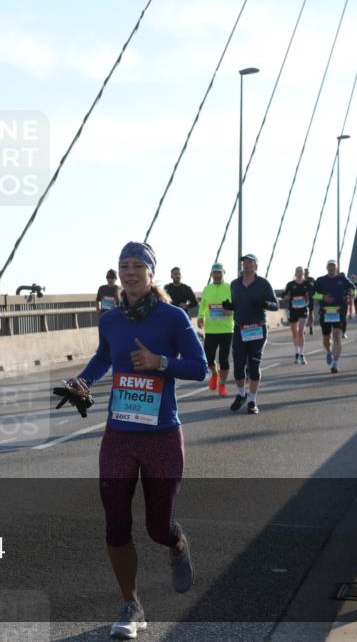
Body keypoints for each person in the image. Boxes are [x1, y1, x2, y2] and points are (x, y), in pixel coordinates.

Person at [58, 241, 206, 640]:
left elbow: (201, 368)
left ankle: (176, 544)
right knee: (115, 522)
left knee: (158, 527)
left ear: (151, 273)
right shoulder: (111, 319)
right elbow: (103, 358)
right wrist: (81, 381)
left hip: (162, 436)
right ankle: (131, 604)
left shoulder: (173, 317)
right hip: (119, 435)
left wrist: (161, 363)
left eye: (138, 265)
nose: (130, 272)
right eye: (124, 265)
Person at [223, 254, 279, 414]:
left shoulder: (263, 283)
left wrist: (265, 304)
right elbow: (238, 304)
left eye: (249, 262)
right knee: (238, 367)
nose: (246, 265)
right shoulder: (235, 284)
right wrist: (231, 306)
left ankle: (252, 401)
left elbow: (276, 305)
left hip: (257, 329)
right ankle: (242, 394)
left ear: (256, 266)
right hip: (240, 329)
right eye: (244, 263)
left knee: (254, 367)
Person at [312, 259, 356, 374]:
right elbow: (312, 294)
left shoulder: (342, 279)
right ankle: (328, 351)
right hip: (325, 312)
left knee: (337, 336)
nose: (331, 268)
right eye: (330, 266)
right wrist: (323, 297)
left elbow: (353, 289)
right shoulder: (320, 280)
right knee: (326, 338)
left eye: (333, 266)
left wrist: (351, 297)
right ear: (326, 268)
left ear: (336, 268)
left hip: (339, 311)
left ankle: (335, 363)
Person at [197, 263, 234, 396]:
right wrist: (200, 317)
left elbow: (237, 304)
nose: (217, 275)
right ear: (211, 274)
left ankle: (222, 385)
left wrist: (232, 310)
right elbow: (203, 305)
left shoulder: (230, 288)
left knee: (224, 360)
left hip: (226, 329)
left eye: (219, 272)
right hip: (211, 329)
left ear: (224, 273)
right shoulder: (207, 288)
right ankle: (214, 374)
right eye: (214, 273)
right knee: (208, 358)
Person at [282, 266, 314, 364]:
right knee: (294, 333)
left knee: (301, 332)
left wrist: (309, 296)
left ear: (303, 274)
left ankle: (302, 354)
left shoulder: (307, 284)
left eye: (301, 272)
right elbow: (283, 295)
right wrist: (286, 296)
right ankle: (296, 353)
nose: (300, 273)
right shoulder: (290, 284)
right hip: (293, 310)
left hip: (303, 310)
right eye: (298, 272)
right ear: (295, 273)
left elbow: (313, 293)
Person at [304, 268, 316, 335]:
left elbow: (315, 287)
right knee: (303, 314)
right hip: (303, 299)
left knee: (311, 313)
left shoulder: (311, 279)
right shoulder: (301, 279)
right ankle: (304, 328)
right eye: (305, 272)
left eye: (307, 272)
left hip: (311, 298)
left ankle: (311, 327)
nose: (306, 273)